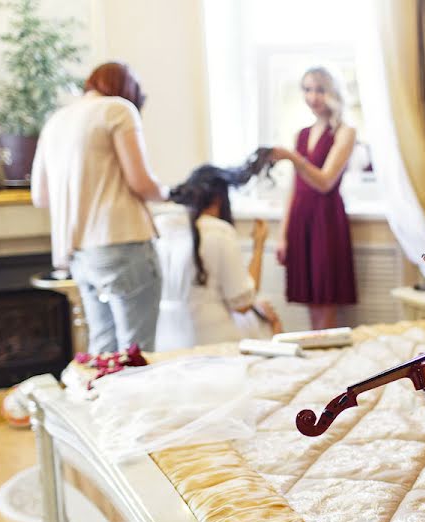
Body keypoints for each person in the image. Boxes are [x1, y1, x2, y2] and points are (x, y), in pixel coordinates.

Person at [31, 62, 168, 354]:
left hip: (80, 253)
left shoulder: (56, 120)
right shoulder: (118, 110)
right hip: (123, 242)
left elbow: (41, 196)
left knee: (103, 349)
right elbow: (140, 182)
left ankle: (102, 400)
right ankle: (135, 400)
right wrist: (166, 193)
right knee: (137, 351)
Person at [154, 150, 283, 351]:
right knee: (269, 317)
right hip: (212, 340)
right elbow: (242, 304)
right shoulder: (218, 232)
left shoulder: (163, 227)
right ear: (219, 199)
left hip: (164, 339)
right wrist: (259, 245)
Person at [270, 66, 357, 330]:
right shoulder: (302, 134)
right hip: (301, 218)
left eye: (319, 89)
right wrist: (283, 234)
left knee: (325, 296)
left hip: (325, 218)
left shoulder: (345, 132)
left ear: (332, 92)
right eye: (307, 89)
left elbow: (325, 181)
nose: (312, 96)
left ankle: (328, 359)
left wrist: (293, 158)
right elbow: (294, 188)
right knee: (310, 298)